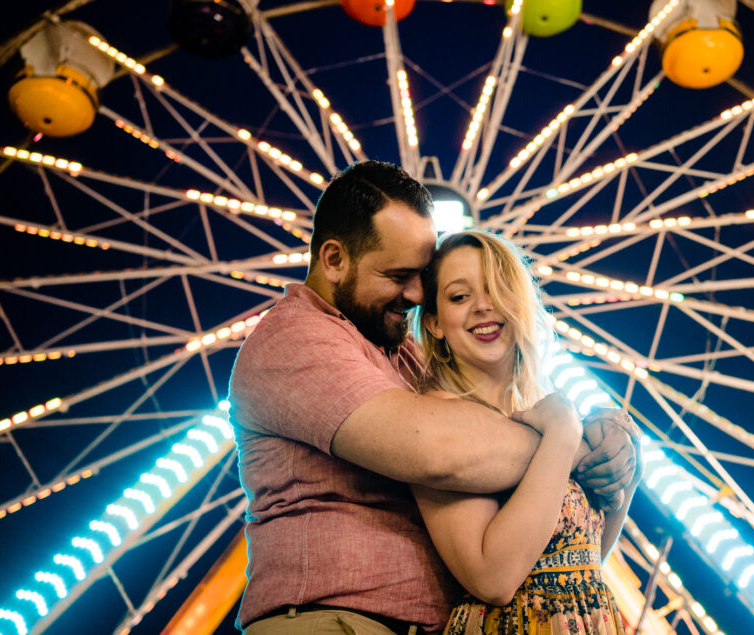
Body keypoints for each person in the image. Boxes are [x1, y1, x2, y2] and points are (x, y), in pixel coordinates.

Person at [228, 161, 640, 634]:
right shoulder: (296, 341)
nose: (417, 293)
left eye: (423, 275)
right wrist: (573, 440)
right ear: (334, 259)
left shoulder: (405, 353)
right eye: (399, 274)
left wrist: (618, 450)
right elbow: (438, 451)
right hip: (337, 620)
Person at [411, 230, 639, 634]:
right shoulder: (436, 418)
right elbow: (494, 579)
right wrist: (565, 429)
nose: (483, 306)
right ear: (434, 323)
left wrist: (629, 469)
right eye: (459, 297)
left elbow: (584, 557)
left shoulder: (541, 410)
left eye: (497, 288)